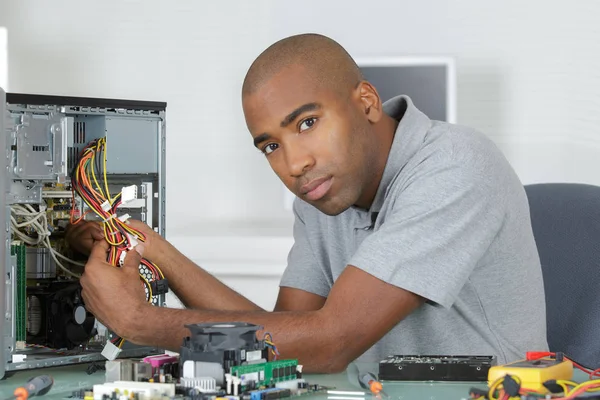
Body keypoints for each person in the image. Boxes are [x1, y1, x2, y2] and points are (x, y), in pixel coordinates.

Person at [66, 33, 549, 373]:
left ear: (365, 101)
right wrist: (157, 253)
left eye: (307, 123)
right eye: (271, 146)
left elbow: (328, 343)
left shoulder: (455, 166)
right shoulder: (325, 197)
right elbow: (284, 337)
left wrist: (141, 322)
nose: (293, 164)